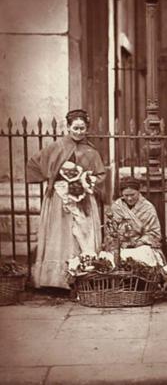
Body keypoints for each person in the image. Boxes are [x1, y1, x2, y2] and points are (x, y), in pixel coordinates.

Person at [26, 109, 106, 289]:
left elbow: (100, 175)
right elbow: (34, 163)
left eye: (82, 128)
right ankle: (56, 280)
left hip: (83, 199)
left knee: (82, 234)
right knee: (60, 234)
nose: (79, 132)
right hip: (59, 199)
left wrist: (86, 180)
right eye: (75, 128)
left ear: (87, 128)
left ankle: (83, 276)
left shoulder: (91, 151)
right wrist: (52, 179)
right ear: (68, 127)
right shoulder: (57, 146)